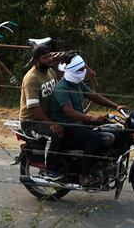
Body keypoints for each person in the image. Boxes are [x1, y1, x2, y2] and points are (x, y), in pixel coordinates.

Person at [46, 55, 124, 186]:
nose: (83, 72)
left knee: (112, 131)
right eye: (80, 70)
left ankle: (103, 166)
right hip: (66, 127)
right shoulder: (62, 88)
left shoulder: (77, 84)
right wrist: (91, 118)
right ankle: (84, 176)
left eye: (83, 69)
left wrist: (116, 106)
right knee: (94, 138)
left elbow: (93, 95)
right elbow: (69, 112)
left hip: (77, 124)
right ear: (72, 71)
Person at [17, 39, 65, 180]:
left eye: (50, 56)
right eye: (46, 57)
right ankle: (50, 170)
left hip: (45, 116)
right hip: (31, 121)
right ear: (36, 60)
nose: (50, 59)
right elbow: (35, 108)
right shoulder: (31, 79)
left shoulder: (50, 72)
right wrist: (51, 123)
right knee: (53, 135)